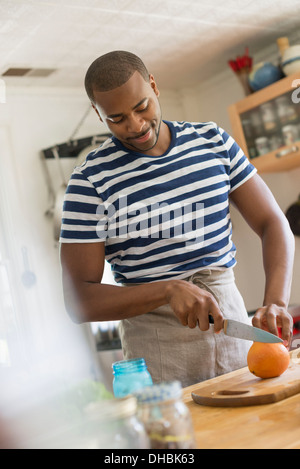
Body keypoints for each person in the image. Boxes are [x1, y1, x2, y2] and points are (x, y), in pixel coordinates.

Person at [59, 51, 294, 387]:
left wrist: (276, 301)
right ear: (98, 114)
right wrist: (168, 290)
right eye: (117, 118)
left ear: (154, 86)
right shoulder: (89, 183)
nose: (136, 126)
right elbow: (78, 302)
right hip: (157, 349)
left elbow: (273, 223)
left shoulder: (213, 141)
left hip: (234, 328)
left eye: (142, 107)